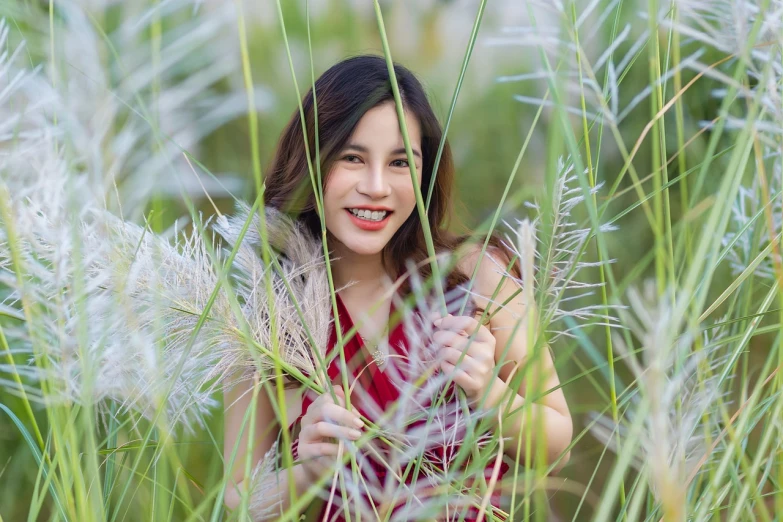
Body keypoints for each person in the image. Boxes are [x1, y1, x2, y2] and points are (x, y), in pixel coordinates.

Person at [222, 54, 572, 521]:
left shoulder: (476, 275)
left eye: (400, 163)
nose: (376, 186)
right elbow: (239, 499)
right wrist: (309, 471)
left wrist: (490, 393)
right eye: (352, 158)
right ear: (311, 162)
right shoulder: (269, 310)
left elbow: (558, 447)